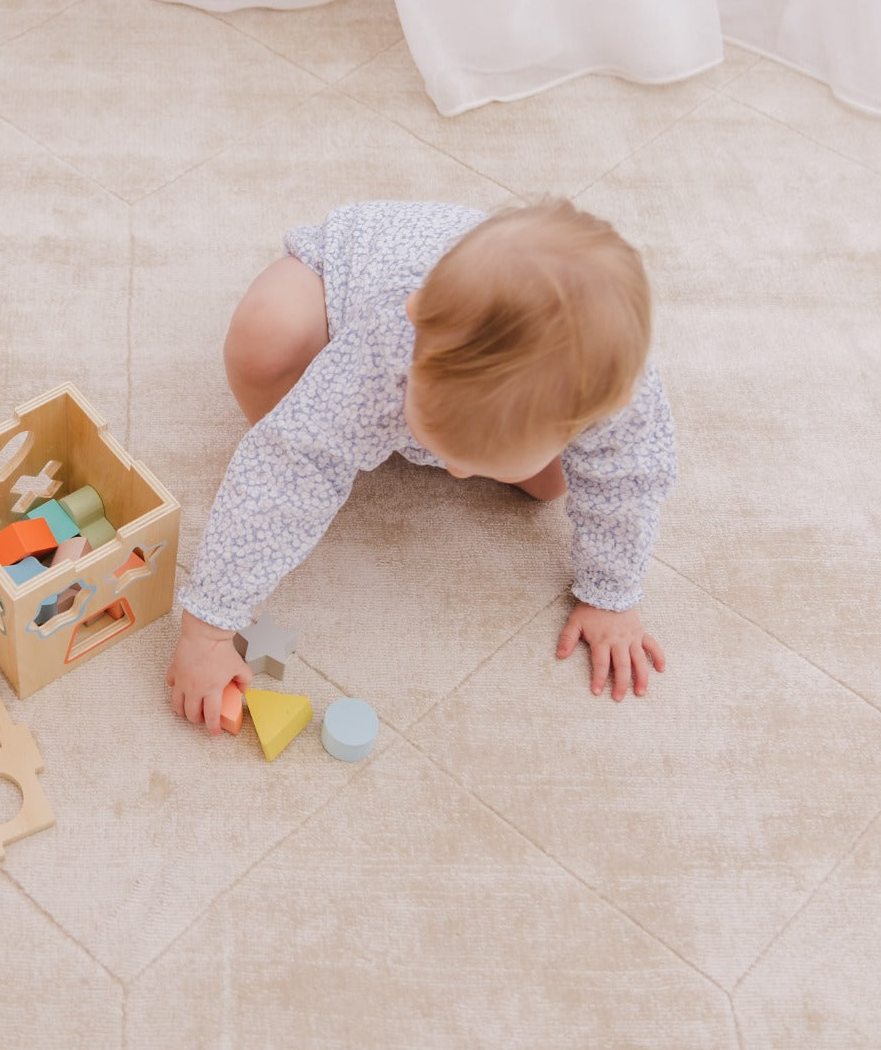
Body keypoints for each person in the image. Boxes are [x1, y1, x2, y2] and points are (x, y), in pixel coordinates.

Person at [166, 198, 678, 732]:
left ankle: (417, 430)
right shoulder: (392, 333)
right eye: (443, 446)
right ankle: (327, 407)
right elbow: (288, 466)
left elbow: (627, 491)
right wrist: (209, 626)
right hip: (344, 281)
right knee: (266, 337)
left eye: (468, 461)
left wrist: (612, 595)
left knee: (555, 485)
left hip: (486, 362)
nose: (455, 474)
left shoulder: (622, 401)